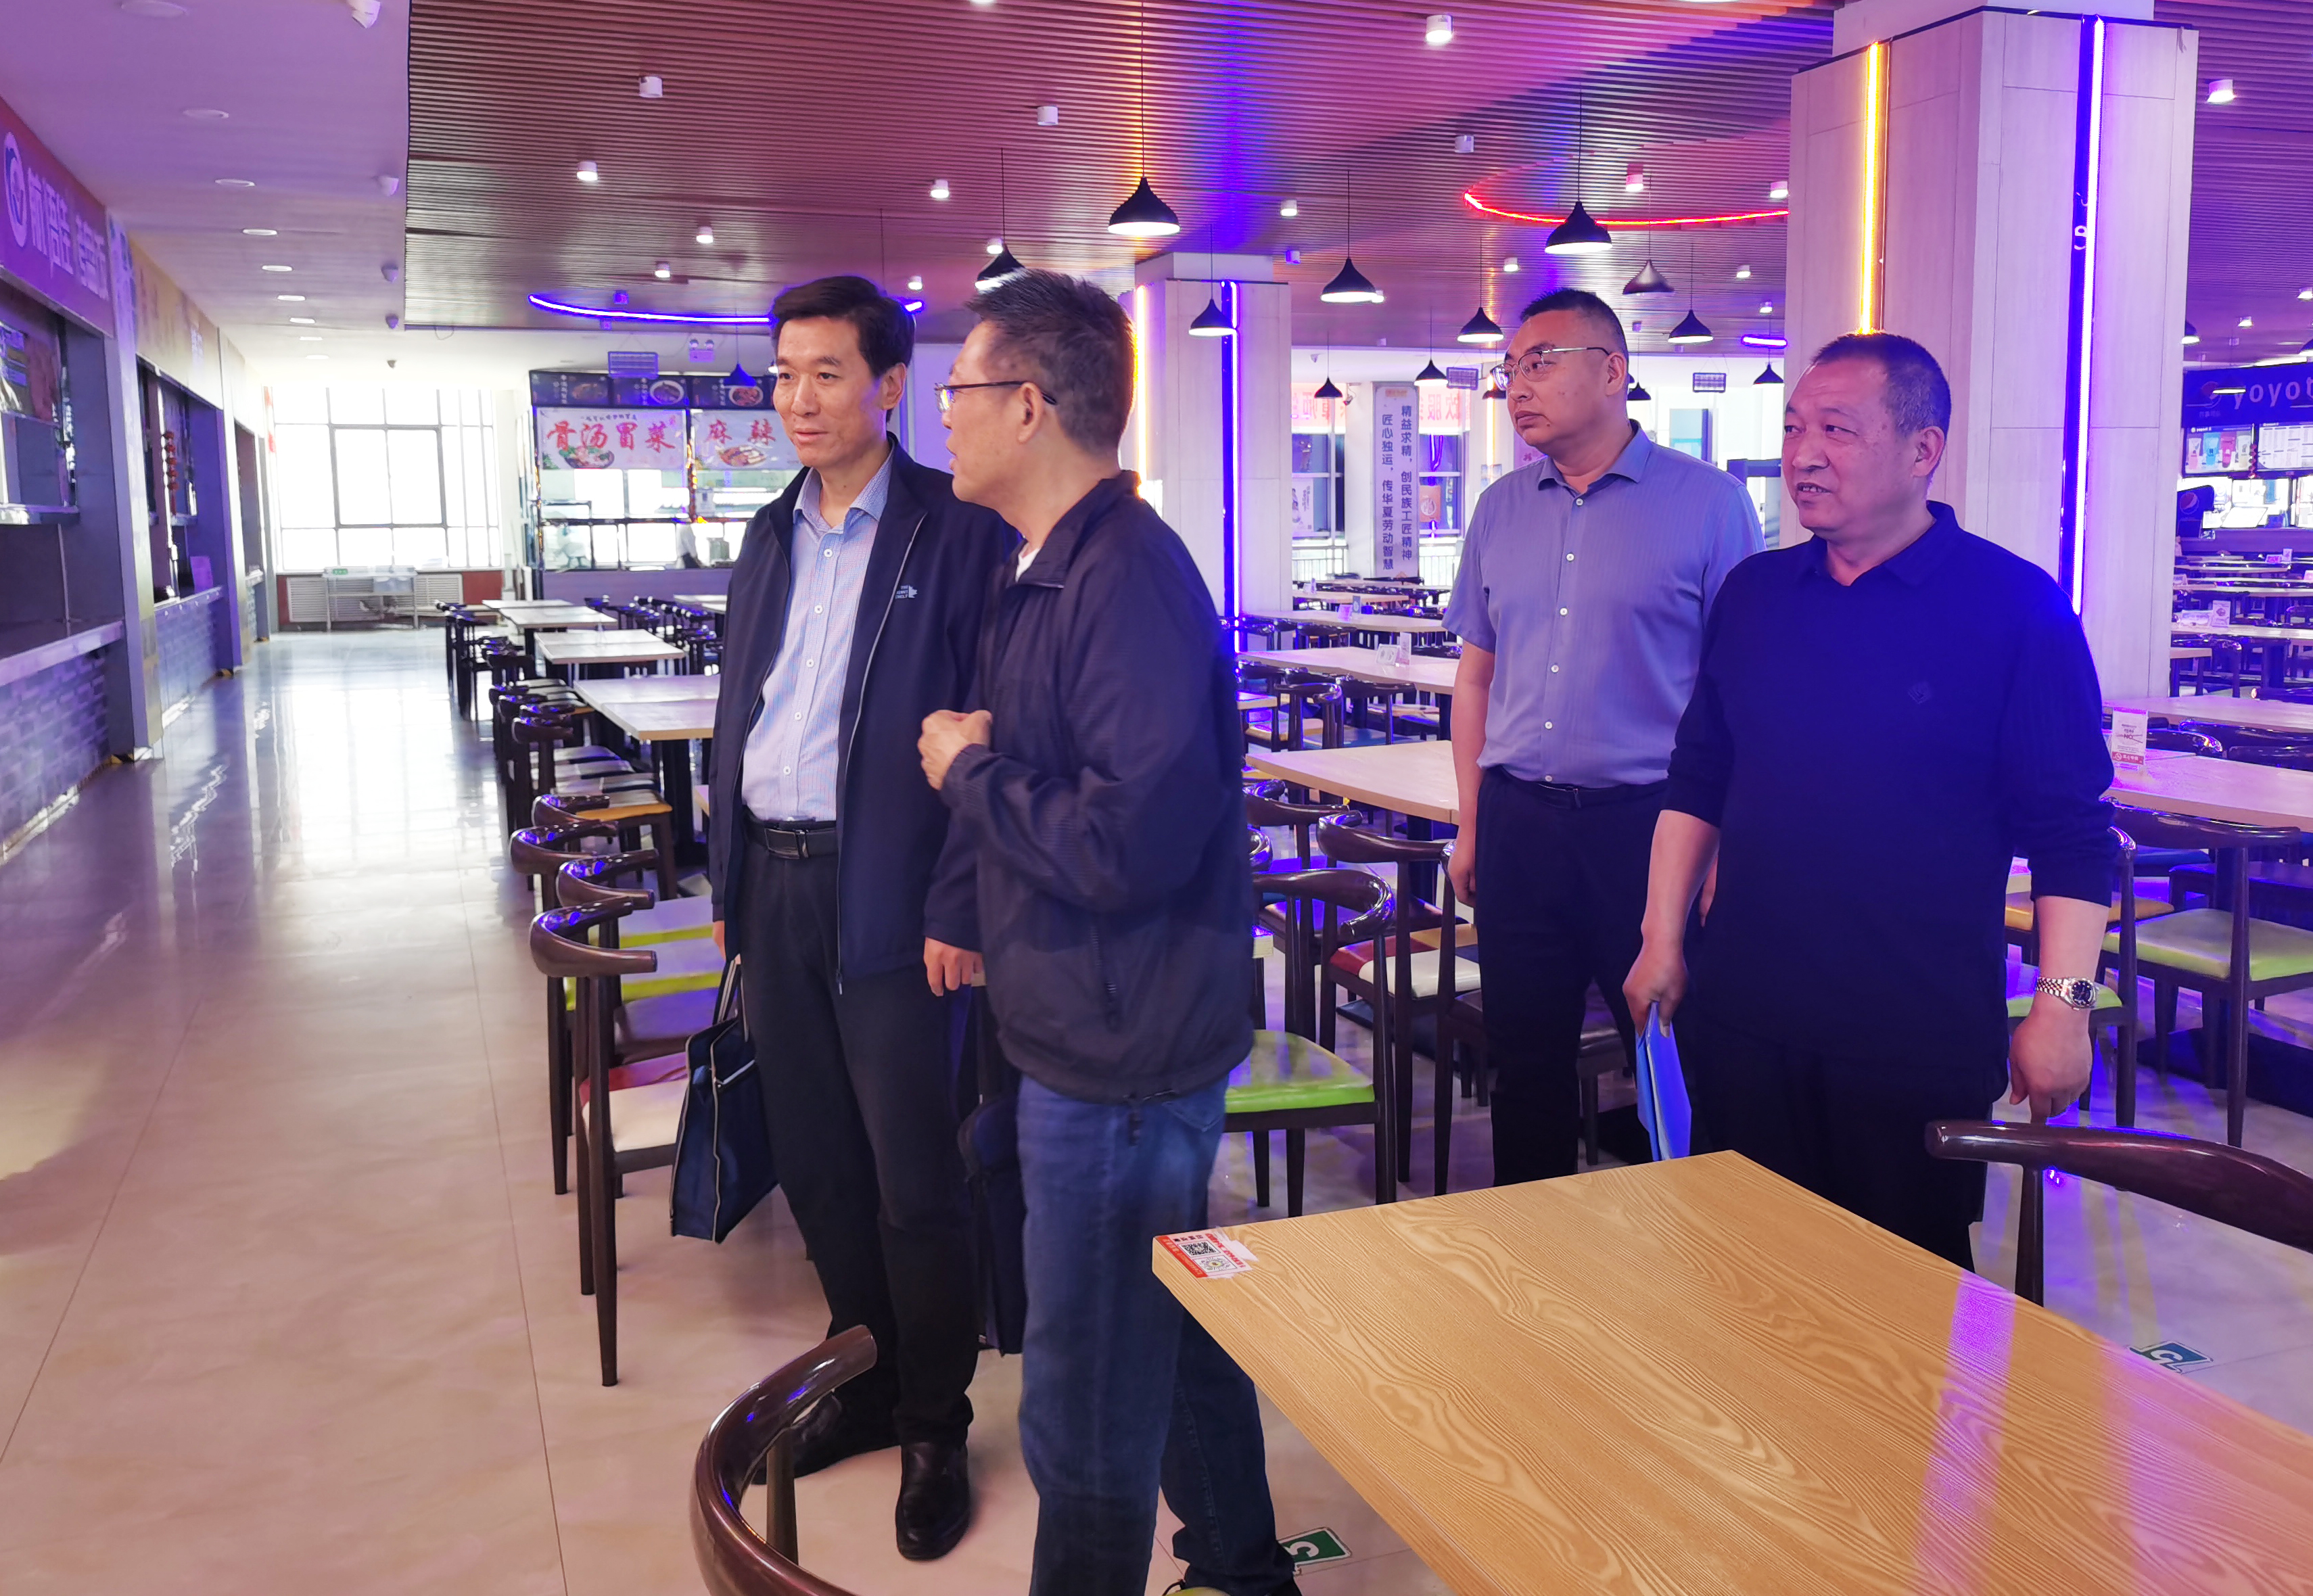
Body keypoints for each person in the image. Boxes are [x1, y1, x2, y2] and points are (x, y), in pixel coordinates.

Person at [916, 269, 1298, 1596]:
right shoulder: (1047, 565)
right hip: (1086, 1018)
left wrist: (966, 771)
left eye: (959, 389)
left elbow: (1130, 844)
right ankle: (1245, 1569)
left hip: (1121, 1047)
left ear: (1029, 406)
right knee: (1167, 1325)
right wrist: (971, 878)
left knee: (1081, 1409)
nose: (944, 414)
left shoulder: (1123, 579)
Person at [1623, 331, 2115, 1269]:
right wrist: (1661, 938)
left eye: (1837, 430)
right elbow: (1698, 778)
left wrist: (2063, 1008)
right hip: (1745, 1015)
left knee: (1902, 1298)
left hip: (1912, 1033)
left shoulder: (2016, 608)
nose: (1803, 455)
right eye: (1794, 428)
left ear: (1923, 450)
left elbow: (2073, 833)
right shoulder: (1757, 594)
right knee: (1740, 1275)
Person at [704, 275, 1012, 1562]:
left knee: (912, 1172)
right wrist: (728, 884)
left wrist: (962, 902)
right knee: (819, 1159)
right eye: (784, 375)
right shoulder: (769, 531)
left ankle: (936, 1420)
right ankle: (868, 1378)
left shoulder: (957, 532)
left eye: (826, 373)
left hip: (893, 890)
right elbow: (745, 706)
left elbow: (990, 728)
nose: (799, 399)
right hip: (772, 883)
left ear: (891, 385)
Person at [1443, 287, 1762, 1184]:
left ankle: (1690, 1242)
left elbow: (1738, 694)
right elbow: (1477, 676)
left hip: (1649, 828)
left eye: (1541, 362)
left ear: (1614, 370)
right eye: (1510, 368)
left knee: (1668, 1058)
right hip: (1519, 821)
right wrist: (1472, 821)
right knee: (1524, 1065)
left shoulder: (1710, 505)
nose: (1517, 386)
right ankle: (1531, 1247)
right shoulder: (1501, 508)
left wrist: (1723, 852)